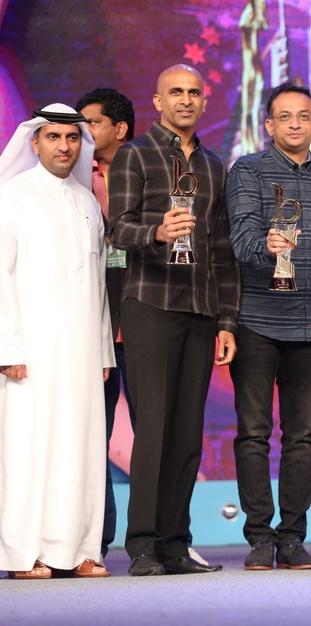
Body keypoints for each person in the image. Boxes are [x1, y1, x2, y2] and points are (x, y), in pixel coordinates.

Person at [109, 64, 240, 576]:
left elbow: (223, 250)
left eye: (193, 92)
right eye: (175, 92)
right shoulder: (135, 154)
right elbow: (118, 229)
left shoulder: (214, 166)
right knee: (154, 428)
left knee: (187, 434)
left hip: (201, 310)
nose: (185, 100)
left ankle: (175, 544)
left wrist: (227, 320)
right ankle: (142, 545)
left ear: (204, 102)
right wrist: (157, 233)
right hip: (150, 304)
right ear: (158, 101)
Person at [0, 104, 115, 579]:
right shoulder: (12, 196)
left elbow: (98, 283)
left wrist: (104, 349)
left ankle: (78, 550)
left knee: (81, 449)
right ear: (34, 142)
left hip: (84, 351)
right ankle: (24, 554)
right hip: (31, 351)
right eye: (53, 137)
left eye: (72, 138)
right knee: (29, 450)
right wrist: (8, 348)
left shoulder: (87, 201)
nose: (64, 146)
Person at [226, 82, 311, 570]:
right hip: (256, 321)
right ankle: (259, 537)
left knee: (302, 436)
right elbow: (241, 236)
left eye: (303, 116)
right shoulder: (248, 170)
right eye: (284, 116)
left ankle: (292, 537)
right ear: (268, 125)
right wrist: (264, 245)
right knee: (253, 433)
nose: (294, 124)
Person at [75, 88, 136, 559]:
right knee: (92, 434)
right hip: (89, 323)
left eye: (91, 123)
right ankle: (96, 537)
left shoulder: (148, 171)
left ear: (120, 128)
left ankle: (157, 538)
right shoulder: (74, 176)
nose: (80, 133)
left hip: (141, 319)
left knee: (153, 433)